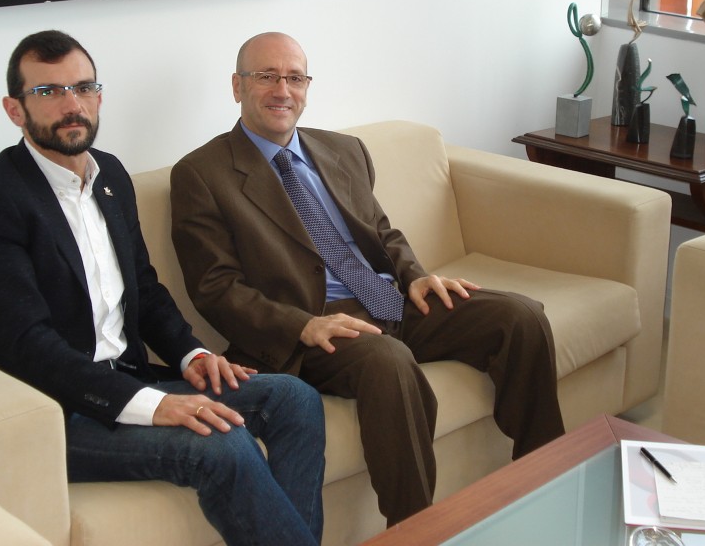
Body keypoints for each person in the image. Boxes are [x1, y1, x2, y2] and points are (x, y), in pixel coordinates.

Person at [169, 31, 566, 526]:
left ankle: (546, 480)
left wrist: (415, 275)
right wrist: (302, 325)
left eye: (295, 78)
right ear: (237, 86)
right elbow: (216, 288)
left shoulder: (344, 150)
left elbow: (380, 230)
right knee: (388, 360)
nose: (282, 90)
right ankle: (416, 528)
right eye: (266, 76)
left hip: (388, 299)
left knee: (520, 317)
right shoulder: (202, 174)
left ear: (307, 87)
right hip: (313, 328)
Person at [0, 30, 325, 546]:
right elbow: (27, 346)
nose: (72, 105)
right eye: (49, 92)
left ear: (99, 97)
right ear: (15, 110)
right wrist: (152, 405)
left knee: (295, 400)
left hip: (132, 378)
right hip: (57, 411)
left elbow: (143, 287)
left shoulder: (109, 176)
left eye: (84, 88)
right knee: (221, 443)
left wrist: (192, 354)